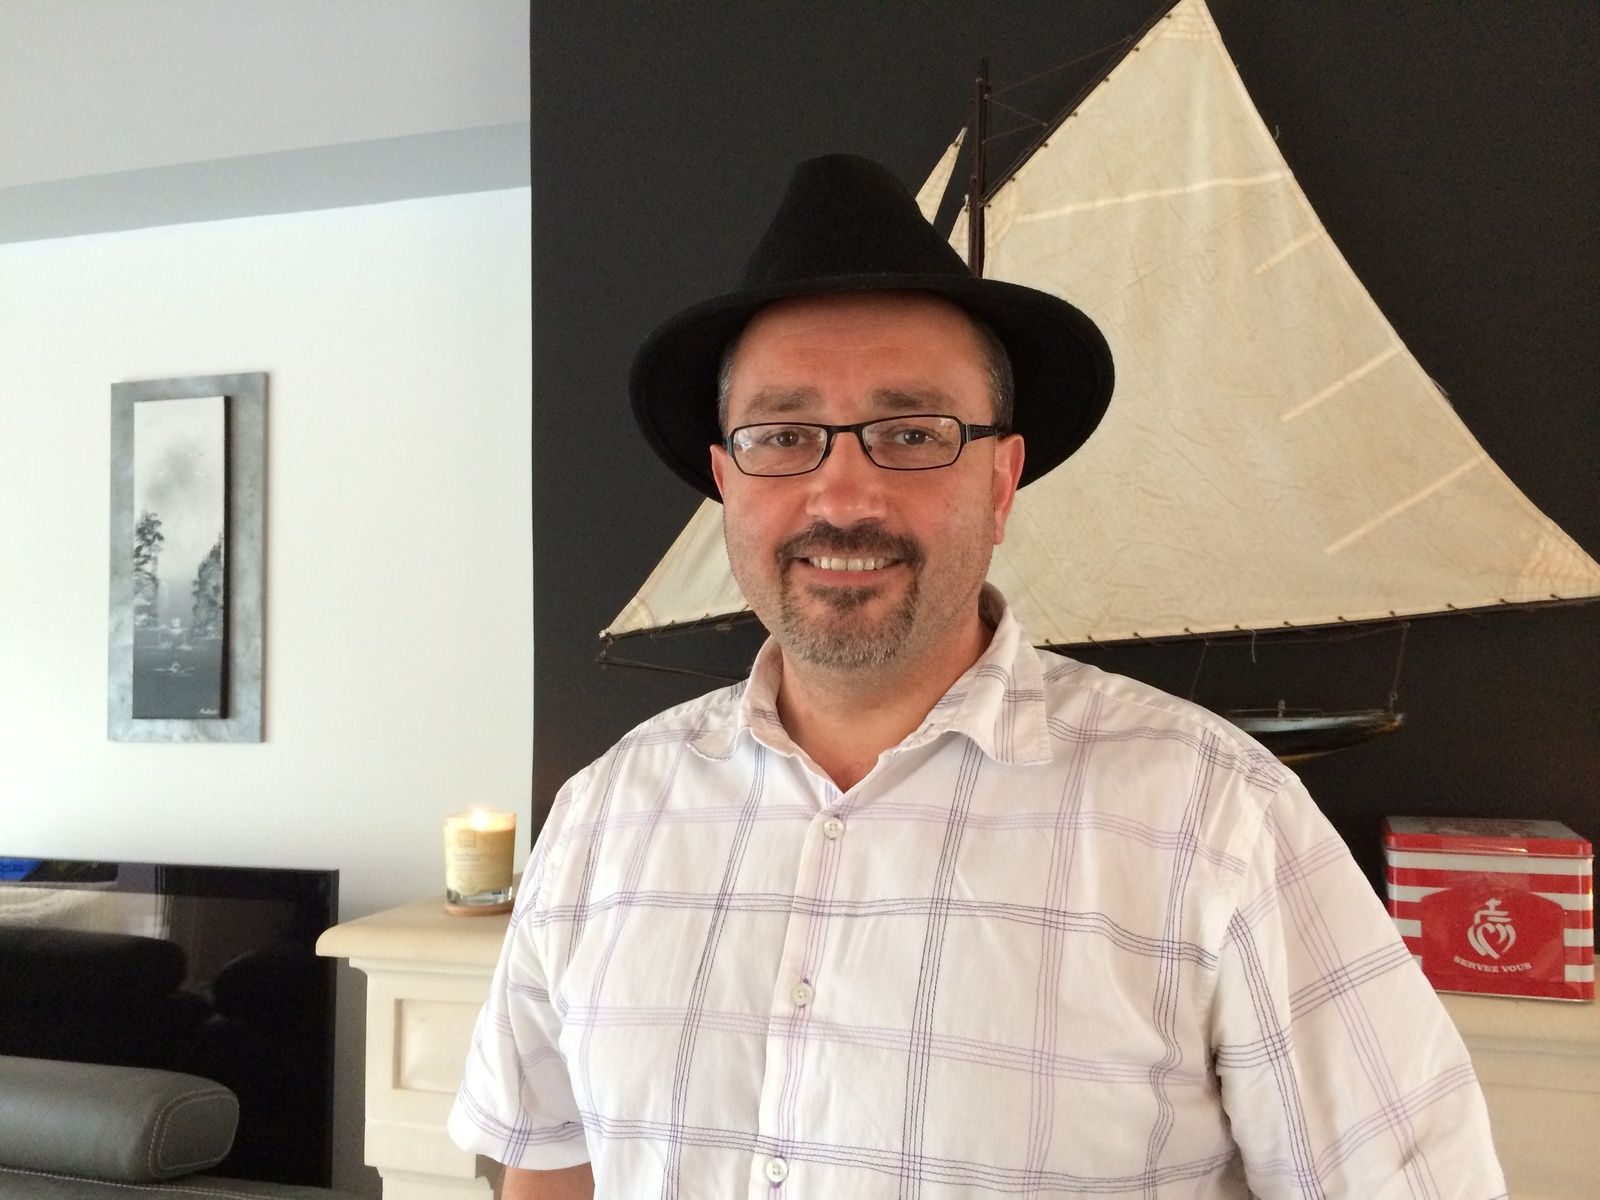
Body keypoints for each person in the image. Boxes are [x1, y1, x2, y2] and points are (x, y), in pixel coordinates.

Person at [449, 155, 1506, 1198]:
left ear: (1002, 481)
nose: (842, 496)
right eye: (783, 435)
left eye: (913, 433)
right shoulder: (601, 818)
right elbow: (550, 1166)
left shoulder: (1218, 820)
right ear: (727, 481)